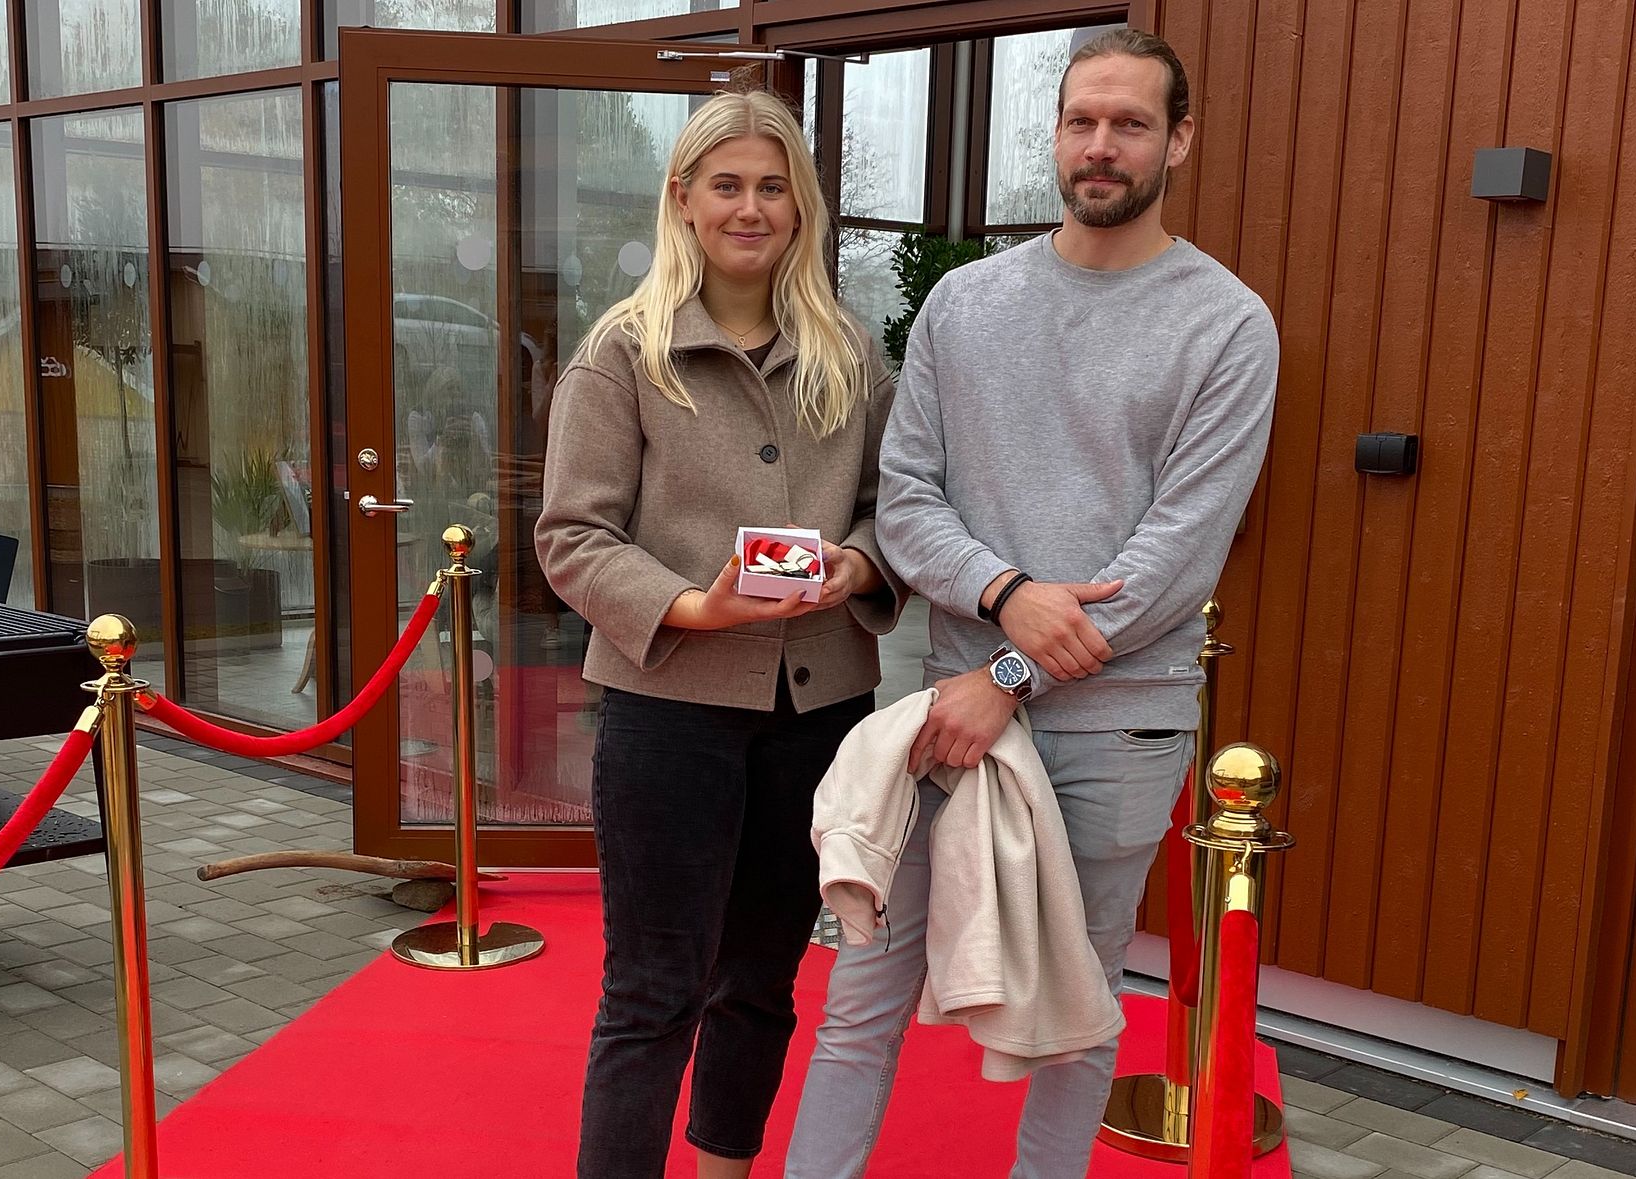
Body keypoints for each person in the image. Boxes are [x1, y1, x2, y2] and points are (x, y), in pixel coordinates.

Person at [783, 29, 1279, 1178]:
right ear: (1055, 135)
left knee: (1074, 1016)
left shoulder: (1227, 325)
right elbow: (904, 502)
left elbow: (1175, 561)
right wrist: (1005, 598)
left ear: (1180, 141)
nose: (1102, 146)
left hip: (1111, 728)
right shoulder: (965, 305)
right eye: (1082, 121)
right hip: (949, 720)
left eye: (1132, 123)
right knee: (863, 992)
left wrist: (1006, 674)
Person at [534, 89, 904, 1179]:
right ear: (683, 200)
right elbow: (571, 536)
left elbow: (900, 508)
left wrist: (860, 564)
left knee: (762, 980)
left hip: (820, 714)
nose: (752, 207)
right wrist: (693, 606)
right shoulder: (622, 354)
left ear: (801, 207)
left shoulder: (851, 356)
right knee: (653, 990)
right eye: (728, 185)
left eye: (773, 186)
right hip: (669, 715)